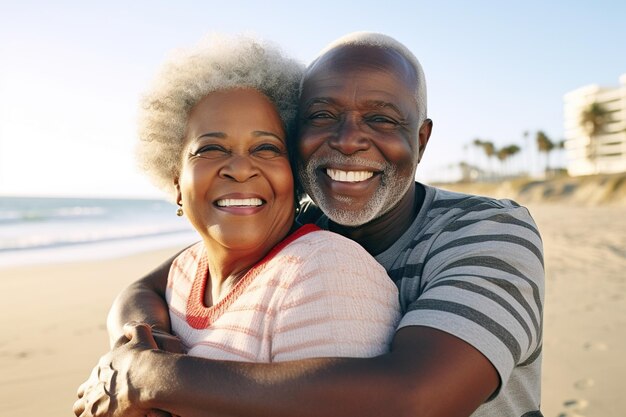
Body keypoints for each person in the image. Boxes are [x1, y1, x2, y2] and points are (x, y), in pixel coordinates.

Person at [74, 32, 544, 417]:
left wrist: (154, 378)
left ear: (420, 140)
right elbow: (153, 285)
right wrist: (136, 342)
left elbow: (415, 400)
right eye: (322, 115)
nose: (349, 141)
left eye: (381, 119)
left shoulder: (487, 231)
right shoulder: (301, 222)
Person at [73, 34, 402, 416]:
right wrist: (140, 349)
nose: (241, 168)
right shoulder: (183, 272)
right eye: (211, 148)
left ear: (295, 175)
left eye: (266, 148)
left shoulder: (328, 272)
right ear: (175, 180)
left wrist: (156, 386)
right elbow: (137, 294)